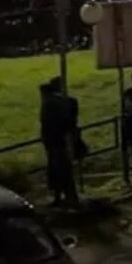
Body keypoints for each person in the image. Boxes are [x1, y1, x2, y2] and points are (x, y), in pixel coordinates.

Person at [40, 78, 80, 207]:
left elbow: (46, 125)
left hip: (55, 142)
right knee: (62, 170)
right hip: (62, 140)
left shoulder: (49, 104)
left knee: (60, 170)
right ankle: (68, 197)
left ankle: (67, 198)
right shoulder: (67, 101)